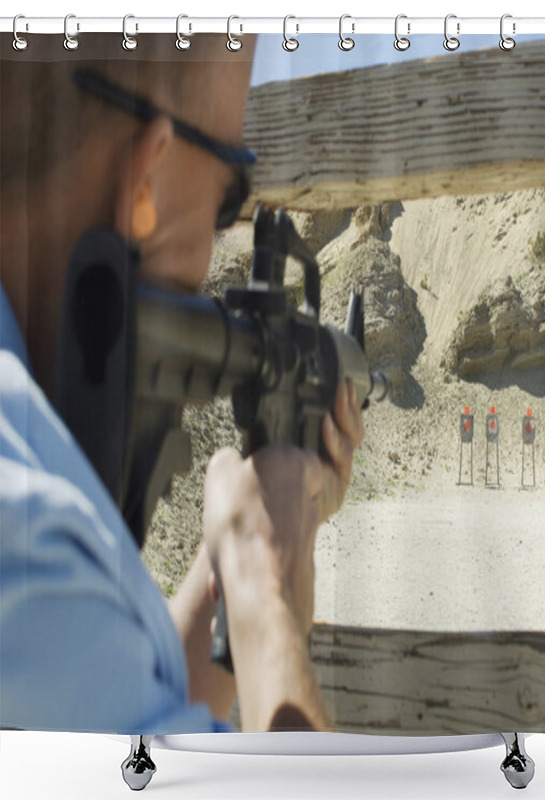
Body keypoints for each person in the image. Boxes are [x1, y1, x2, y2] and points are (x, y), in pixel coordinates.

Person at [0, 34, 363, 734]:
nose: (223, 235)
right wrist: (264, 584)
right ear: (146, 179)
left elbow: (128, 707)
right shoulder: (33, 541)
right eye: (231, 194)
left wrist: (249, 534)